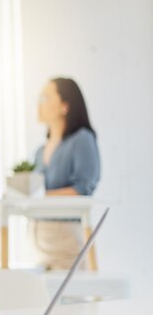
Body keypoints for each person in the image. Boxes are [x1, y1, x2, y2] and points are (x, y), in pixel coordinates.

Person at [32, 77, 101, 269]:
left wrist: (39, 198)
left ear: (65, 106)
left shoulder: (82, 140)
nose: (39, 104)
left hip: (66, 240)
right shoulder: (39, 151)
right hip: (39, 239)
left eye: (46, 98)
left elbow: (83, 188)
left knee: (70, 296)